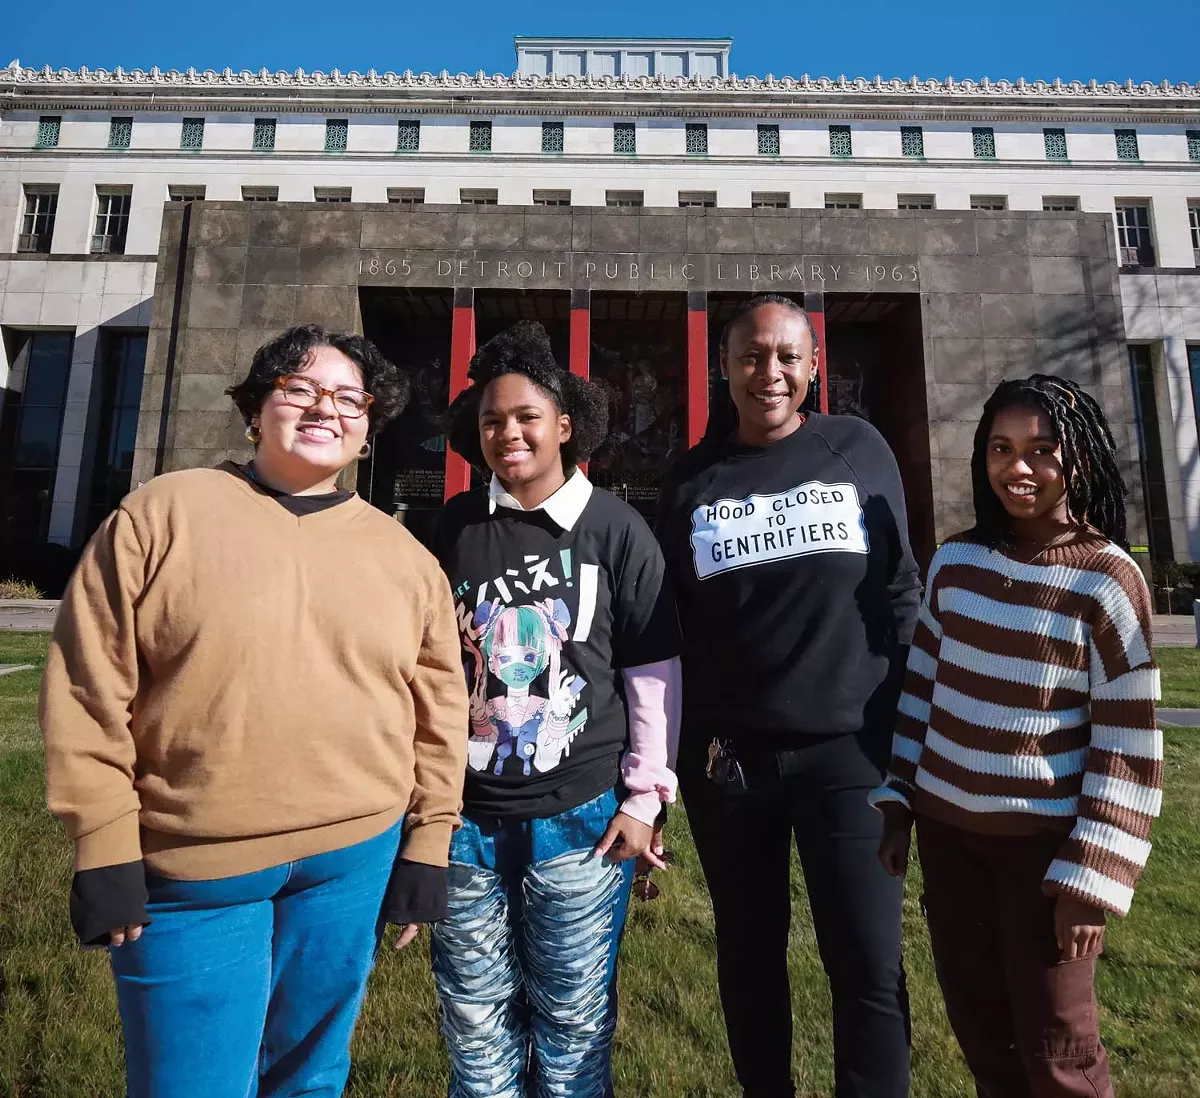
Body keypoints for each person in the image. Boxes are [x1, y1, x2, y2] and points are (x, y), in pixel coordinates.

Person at [39, 324, 470, 1098]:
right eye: (299, 388)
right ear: (256, 407)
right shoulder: (163, 513)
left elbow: (439, 707)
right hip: (192, 873)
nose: (323, 409)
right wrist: (102, 840)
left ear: (369, 427)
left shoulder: (405, 556)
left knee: (309, 1081)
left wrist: (429, 840)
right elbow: (86, 684)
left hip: (352, 860)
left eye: (348, 398)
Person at [656, 294, 920, 1098]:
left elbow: (900, 587)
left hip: (853, 754)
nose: (768, 372)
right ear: (724, 366)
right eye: (750, 355)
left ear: (811, 367)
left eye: (785, 357)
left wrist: (909, 741)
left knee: (869, 964)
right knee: (748, 956)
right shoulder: (690, 480)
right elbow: (671, 624)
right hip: (730, 763)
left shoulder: (859, 448)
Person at [872, 375, 1162, 1098]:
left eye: (1041, 450)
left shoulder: (1106, 581)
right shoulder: (956, 565)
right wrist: (900, 800)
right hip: (950, 845)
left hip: (1046, 860)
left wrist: (1092, 881)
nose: (1019, 468)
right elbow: (922, 696)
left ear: (1082, 461)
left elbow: (1128, 746)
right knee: (984, 1038)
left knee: (1059, 1053)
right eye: (1001, 448)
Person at [419, 319, 681, 1098]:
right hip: (464, 823)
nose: (509, 434)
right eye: (492, 420)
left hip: (582, 821)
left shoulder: (616, 529)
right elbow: (424, 669)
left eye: (527, 417)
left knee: (572, 1020)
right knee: (473, 1017)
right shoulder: (453, 529)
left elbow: (652, 671)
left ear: (565, 425)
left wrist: (645, 796)